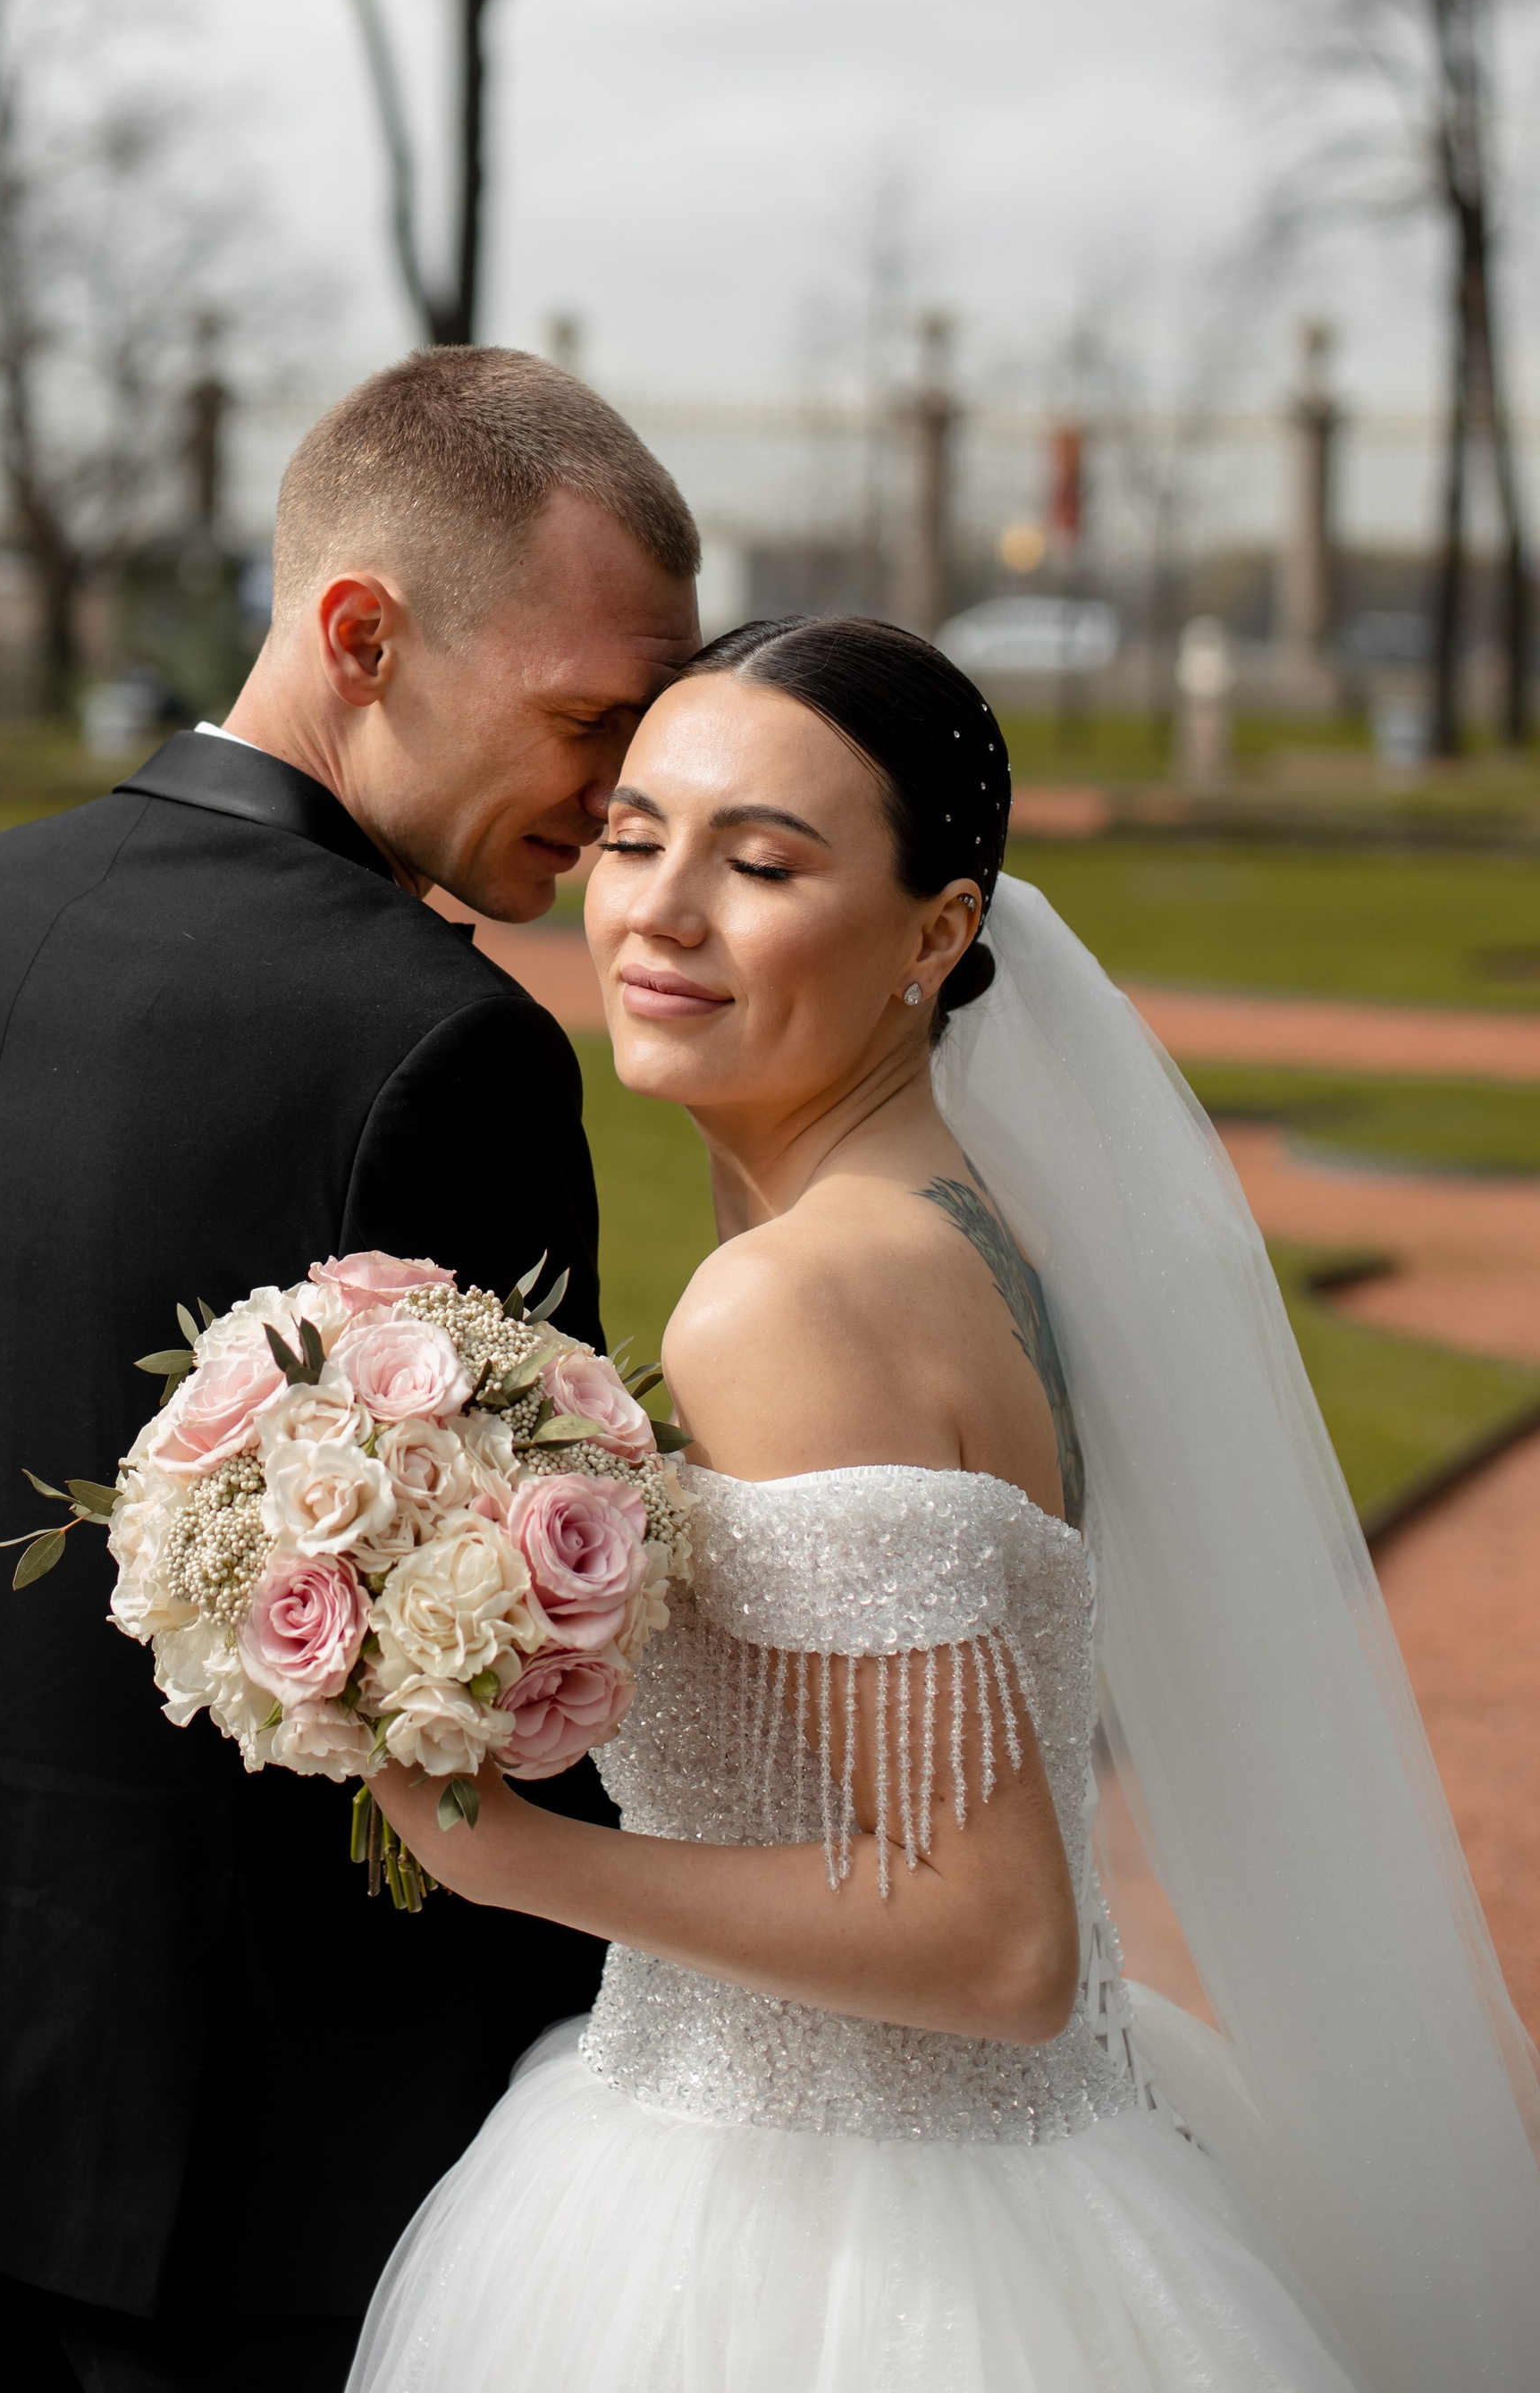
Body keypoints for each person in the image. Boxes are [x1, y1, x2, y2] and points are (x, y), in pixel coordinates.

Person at [351, 615, 1540, 2393]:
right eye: (631, 834)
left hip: (825, 2239)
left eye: (758, 861)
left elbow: (992, 1943)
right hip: (1001, 2168)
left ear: (937, 933)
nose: (659, 912)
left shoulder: (790, 1301)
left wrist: (503, 1852)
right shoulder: (971, 1226)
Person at [0, 347, 702, 2393]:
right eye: (587, 720)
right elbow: (513, 1646)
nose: (612, 803)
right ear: (361, 633)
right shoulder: (442, 1041)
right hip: (246, 2099)